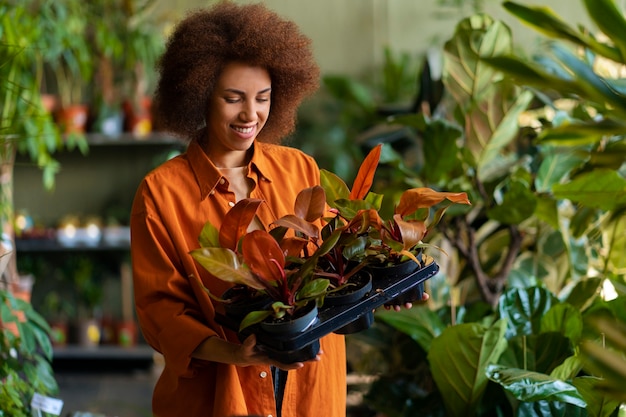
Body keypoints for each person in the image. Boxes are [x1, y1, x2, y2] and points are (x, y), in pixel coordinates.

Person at [130, 2, 426, 417]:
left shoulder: (298, 168)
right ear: (199, 95)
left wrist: (381, 286)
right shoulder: (161, 193)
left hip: (309, 392)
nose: (250, 114)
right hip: (218, 396)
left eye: (263, 98)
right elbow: (162, 312)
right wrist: (236, 354)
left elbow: (335, 266)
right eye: (233, 98)